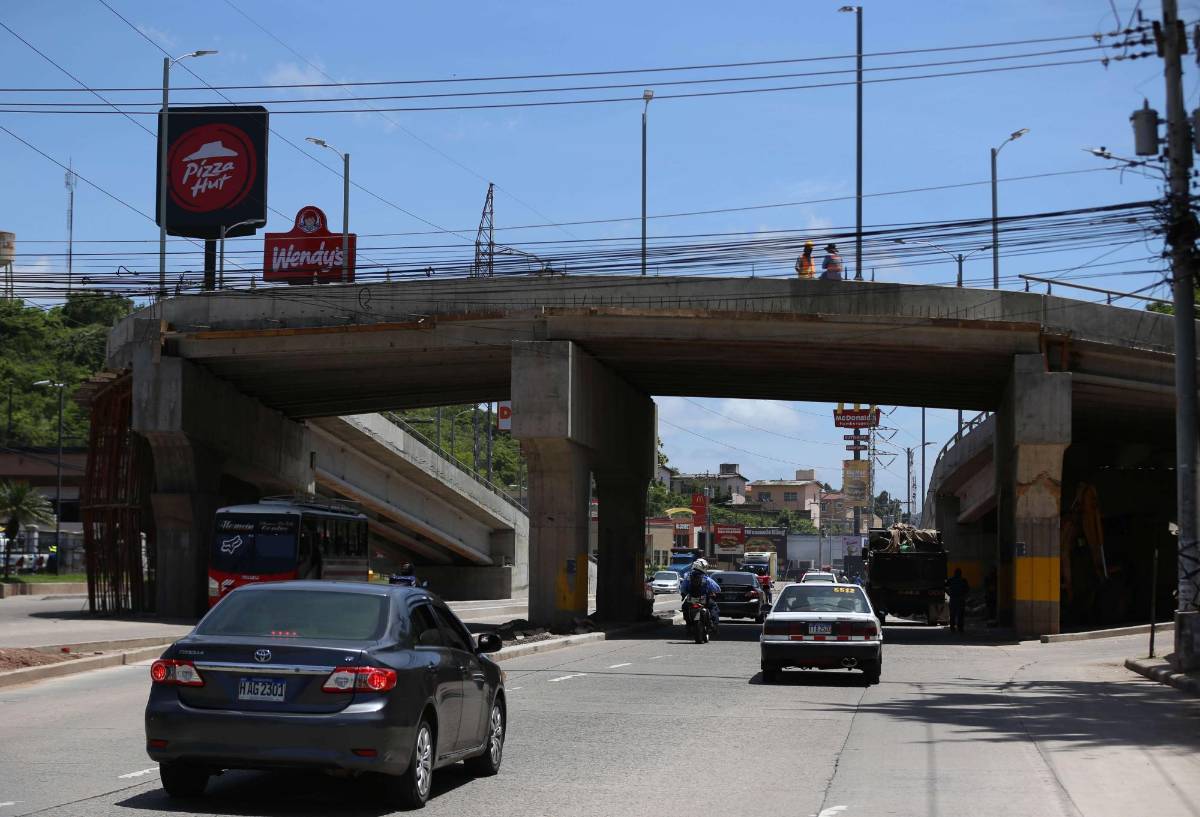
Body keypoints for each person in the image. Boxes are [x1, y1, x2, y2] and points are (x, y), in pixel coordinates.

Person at [679, 558, 721, 631]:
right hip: (704, 599)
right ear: (702, 567)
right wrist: (713, 593)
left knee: (684, 607)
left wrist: (684, 594)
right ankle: (713, 624)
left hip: (691, 599)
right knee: (714, 607)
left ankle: (688, 624)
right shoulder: (706, 578)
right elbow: (717, 589)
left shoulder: (688, 577)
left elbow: (683, 588)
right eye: (705, 567)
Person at [946, 567, 970, 633]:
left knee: (952, 614)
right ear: (961, 573)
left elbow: (945, 586)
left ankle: (952, 628)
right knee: (960, 614)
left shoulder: (951, 580)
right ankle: (960, 628)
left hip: (953, 599)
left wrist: (949, 593)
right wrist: (964, 595)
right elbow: (967, 589)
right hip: (960, 599)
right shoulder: (963, 580)